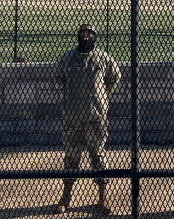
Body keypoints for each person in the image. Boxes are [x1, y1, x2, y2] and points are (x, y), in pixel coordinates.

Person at [53, 24, 121, 215]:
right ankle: (66, 197)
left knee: (98, 157)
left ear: (94, 37)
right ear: (78, 36)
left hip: (96, 118)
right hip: (73, 118)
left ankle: (102, 197)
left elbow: (115, 76)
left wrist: (102, 94)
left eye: (89, 34)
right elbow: (58, 78)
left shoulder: (103, 58)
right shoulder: (68, 58)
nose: (86, 37)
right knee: (71, 157)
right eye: (83, 34)